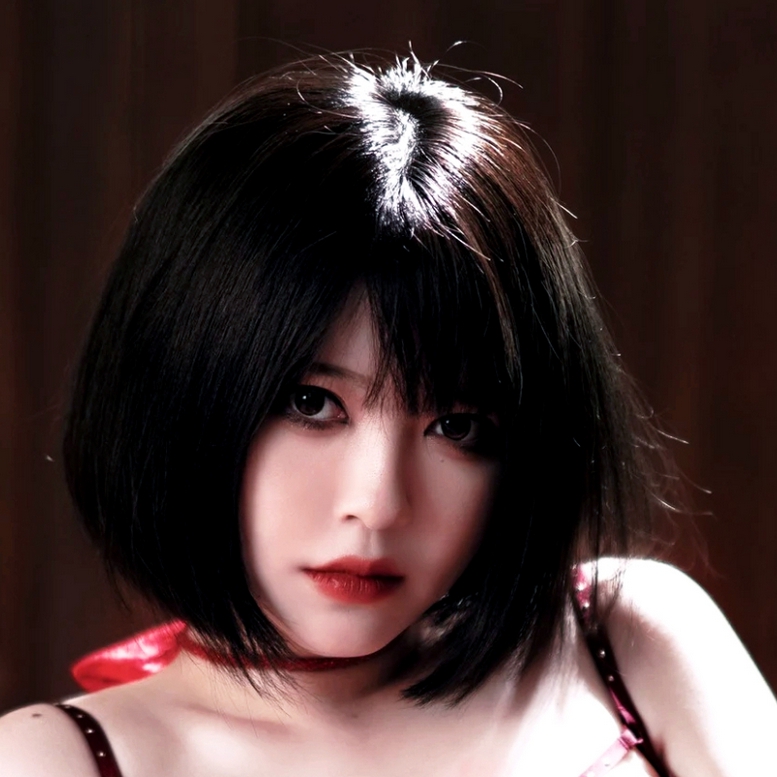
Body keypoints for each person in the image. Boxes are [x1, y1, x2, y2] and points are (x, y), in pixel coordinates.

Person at [1, 53, 775, 777]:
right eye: (311, 403)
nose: (377, 504)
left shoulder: (625, 640)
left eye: (456, 426)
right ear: (176, 387)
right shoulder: (58, 759)